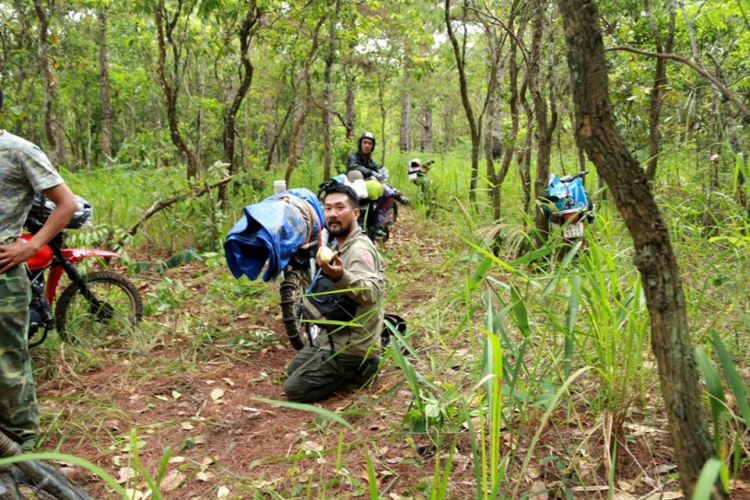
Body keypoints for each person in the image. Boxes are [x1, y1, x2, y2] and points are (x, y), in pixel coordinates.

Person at [0, 87, 77, 450]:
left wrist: (31, 244)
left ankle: (24, 450)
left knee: (7, 362)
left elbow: (66, 203)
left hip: (2, 275)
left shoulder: (19, 150)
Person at [284, 184, 386, 403]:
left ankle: (362, 369)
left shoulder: (359, 250)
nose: (333, 214)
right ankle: (340, 364)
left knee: (294, 390)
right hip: (333, 334)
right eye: (328, 208)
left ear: (356, 213)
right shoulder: (340, 244)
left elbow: (372, 292)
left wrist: (341, 276)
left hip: (352, 345)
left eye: (340, 207)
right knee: (292, 369)